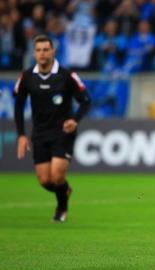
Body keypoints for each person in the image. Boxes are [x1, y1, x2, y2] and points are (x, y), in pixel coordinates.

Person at [14, 35, 91, 222]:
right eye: (38, 50)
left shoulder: (67, 76)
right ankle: (65, 191)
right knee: (44, 180)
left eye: (46, 49)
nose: (42, 54)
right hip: (40, 132)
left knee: (57, 175)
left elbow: (85, 100)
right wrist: (21, 135)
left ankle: (61, 209)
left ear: (53, 51)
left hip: (63, 132)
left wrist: (75, 119)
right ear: (34, 53)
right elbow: (18, 105)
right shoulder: (27, 77)